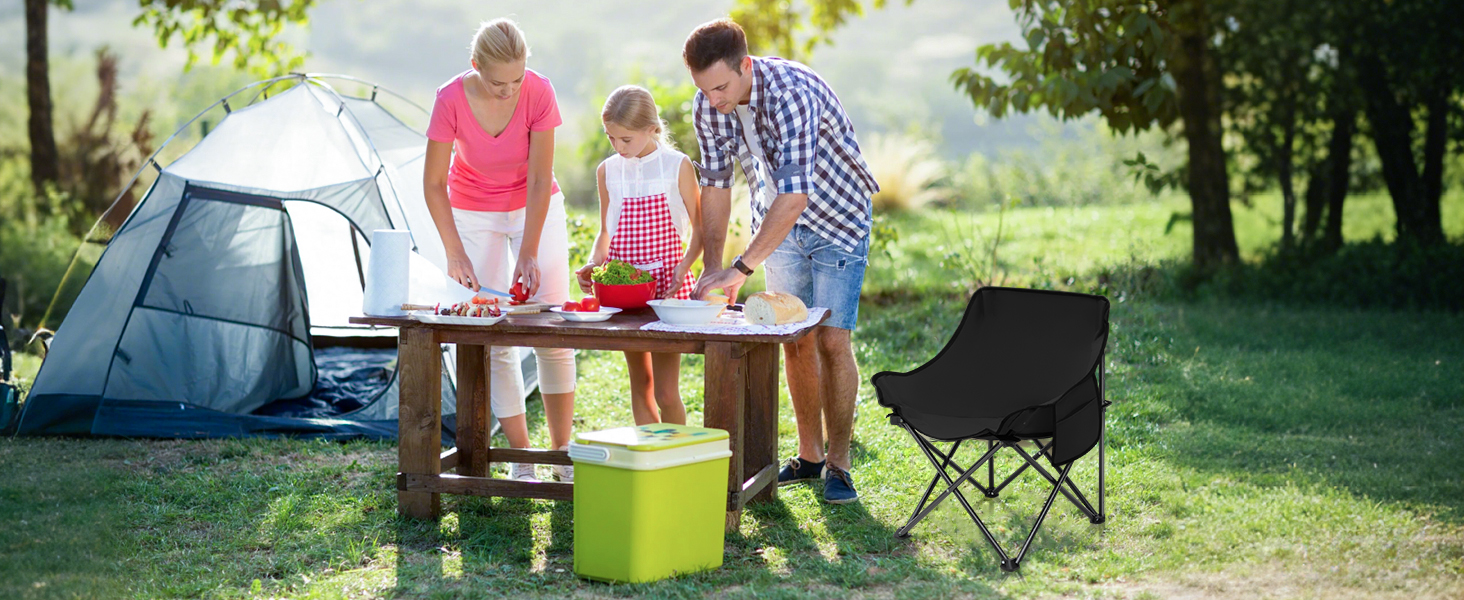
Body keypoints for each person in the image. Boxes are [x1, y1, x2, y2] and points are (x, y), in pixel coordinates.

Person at [683, 19, 878, 504]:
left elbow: (796, 196)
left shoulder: (791, 94)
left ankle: (839, 465)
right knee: (793, 337)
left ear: (745, 66)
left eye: (721, 87)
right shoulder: (709, 104)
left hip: (837, 219)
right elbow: (715, 186)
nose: (713, 100)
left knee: (832, 340)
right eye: (704, 90)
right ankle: (809, 457)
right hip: (776, 226)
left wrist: (741, 268)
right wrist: (713, 268)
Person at [423, 18, 576, 482]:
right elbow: (432, 184)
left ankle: (562, 453)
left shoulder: (539, 90)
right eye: (497, 82)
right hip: (473, 211)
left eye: (517, 78)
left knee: (552, 324)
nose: (509, 90)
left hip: (536, 205)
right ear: (475, 66)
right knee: (493, 330)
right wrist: (455, 252)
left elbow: (537, 177)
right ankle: (522, 458)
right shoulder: (449, 98)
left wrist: (528, 251)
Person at [575, 85, 703, 426]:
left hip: (667, 293)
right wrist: (593, 264)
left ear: (651, 129)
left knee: (665, 392)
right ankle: (650, 461)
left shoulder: (677, 166)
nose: (618, 147)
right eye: (611, 138)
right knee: (640, 384)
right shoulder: (607, 171)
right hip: (624, 294)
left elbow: (700, 230)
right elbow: (606, 232)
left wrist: (684, 267)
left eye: (625, 139)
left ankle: (676, 458)